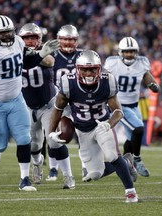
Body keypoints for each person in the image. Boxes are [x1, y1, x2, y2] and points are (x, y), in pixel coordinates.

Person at [0, 15, 59, 191]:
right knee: (2, 145)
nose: (7, 36)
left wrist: (41, 54)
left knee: (24, 138)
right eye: (2, 33)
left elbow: (25, 63)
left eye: (9, 32)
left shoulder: (18, 42)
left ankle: (24, 179)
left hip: (16, 100)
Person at [49, 50, 139, 203]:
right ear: (78, 69)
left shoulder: (107, 81)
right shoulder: (68, 83)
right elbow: (57, 109)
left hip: (101, 125)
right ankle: (127, 162)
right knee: (95, 174)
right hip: (82, 130)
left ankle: (131, 192)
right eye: (84, 69)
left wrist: (108, 124)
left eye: (92, 69)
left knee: (112, 156)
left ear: (99, 69)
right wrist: (51, 132)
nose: (89, 73)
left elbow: (118, 111)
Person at [19, 23, 75, 188]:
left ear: (39, 39)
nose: (29, 41)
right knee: (34, 144)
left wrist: (31, 55)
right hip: (26, 106)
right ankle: (37, 164)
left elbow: (49, 61)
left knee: (54, 141)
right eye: (26, 38)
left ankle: (68, 176)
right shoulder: (15, 53)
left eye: (33, 37)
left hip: (48, 104)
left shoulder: (45, 50)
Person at [104, 37, 160, 177]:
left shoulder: (142, 63)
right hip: (119, 106)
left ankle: (126, 167)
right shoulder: (112, 64)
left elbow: (148, 77)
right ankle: (137, 160)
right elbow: (104, 79)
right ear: (120, 52)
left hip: (134, 106)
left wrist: (153, 85)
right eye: (127, 52)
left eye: (132, 52)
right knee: (138, 128)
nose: (129, 55)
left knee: (130, 139)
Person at [47, 24, 84, 181]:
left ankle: (86, 167)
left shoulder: (83, 56)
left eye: (71, 40)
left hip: (78, 101)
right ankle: (53, 168)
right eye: (65, 39)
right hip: (58, 102)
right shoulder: (51, 56)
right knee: (54, 135)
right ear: (58, 40)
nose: (68, 43)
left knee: (83, 135)